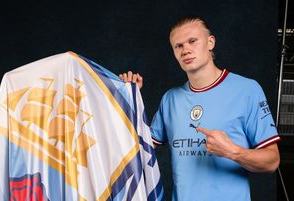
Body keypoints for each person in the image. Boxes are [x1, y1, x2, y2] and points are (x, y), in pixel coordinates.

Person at [119, 16, 281, 201]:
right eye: (178, 46)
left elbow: (272, 161)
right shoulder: (171, 98)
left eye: (192, 41)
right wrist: (129, 98)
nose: (185, 50)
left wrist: (233, 151)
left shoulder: (247, 90)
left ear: (210, 42)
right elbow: (138, 148)